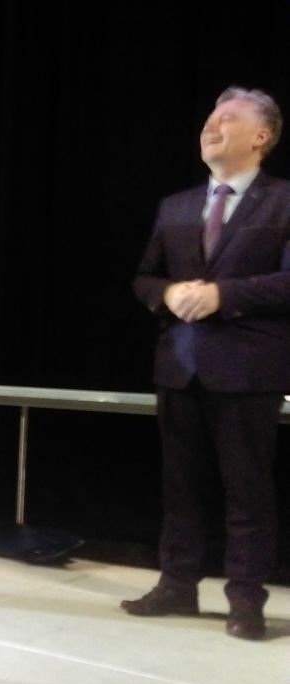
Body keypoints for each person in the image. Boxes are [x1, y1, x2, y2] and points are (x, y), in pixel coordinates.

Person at [122, 86, 290, 641]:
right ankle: (177, 585)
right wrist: (166, 294)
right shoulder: (176, 205)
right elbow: (144, 277)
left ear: (261, 136)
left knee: (247, 493)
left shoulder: (284, 200)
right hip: (179, 365)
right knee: (181, 489)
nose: (210, 126)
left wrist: (224, 294)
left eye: (227, 118)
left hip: (247, 369)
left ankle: (246, 601)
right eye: (209, 118)